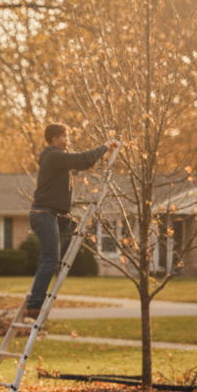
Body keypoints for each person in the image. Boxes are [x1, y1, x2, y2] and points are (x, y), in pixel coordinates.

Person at [25, 124, 120, 320]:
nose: (68, 139)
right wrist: (104, 147)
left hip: (53, 215)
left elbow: (83, 164)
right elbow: (82, 158)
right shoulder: (53, 155)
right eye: (65, 136)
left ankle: (36, 295)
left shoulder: (58, 159)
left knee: (71, 229)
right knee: (51, 259)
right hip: (44, 214)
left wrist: (100, 158)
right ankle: (34, 305)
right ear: (55, 138)